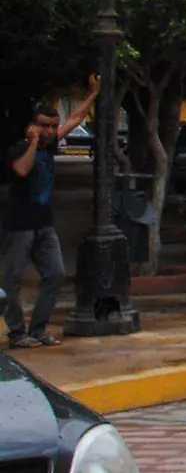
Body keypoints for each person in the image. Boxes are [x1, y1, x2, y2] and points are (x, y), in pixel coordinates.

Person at [5, 77, 99, 349]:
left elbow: (77, 117)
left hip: (44, 225)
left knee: (55, 274)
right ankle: (16, 333)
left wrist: (92, 94)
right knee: (13, 280)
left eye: (52, 127)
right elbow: (21, 170)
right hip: (19, 225)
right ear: (33, 127)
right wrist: (33, 143)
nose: (49, 131)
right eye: (43, 126)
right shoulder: (19, 149)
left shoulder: (53, 142)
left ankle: (38, 329)